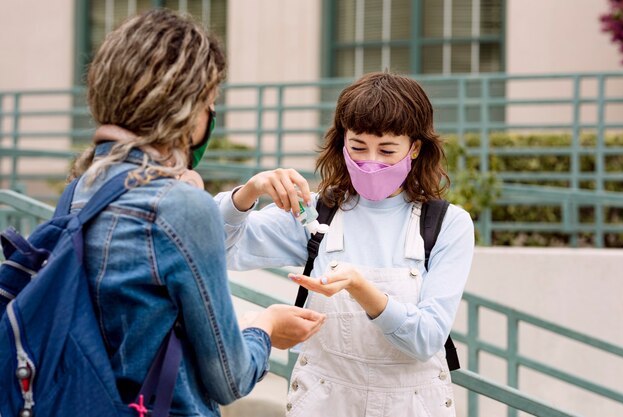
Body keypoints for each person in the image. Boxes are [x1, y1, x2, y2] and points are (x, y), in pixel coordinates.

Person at [68, 9, 325, 417]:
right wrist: (267, 326)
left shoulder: (79, 192)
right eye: (208, 104)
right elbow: (230, 378)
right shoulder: (181, 208)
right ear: (186, 113)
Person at [214, 72, 475, 416]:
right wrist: (247, 193)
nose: (371, 162)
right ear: (342, 144)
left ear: (414, 148)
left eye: (386, 150)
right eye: (358, 148)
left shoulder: (447, 225)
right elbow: (218, 247)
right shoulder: (317, 212)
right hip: (324, 403)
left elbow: (426, 339)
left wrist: (360, 287)